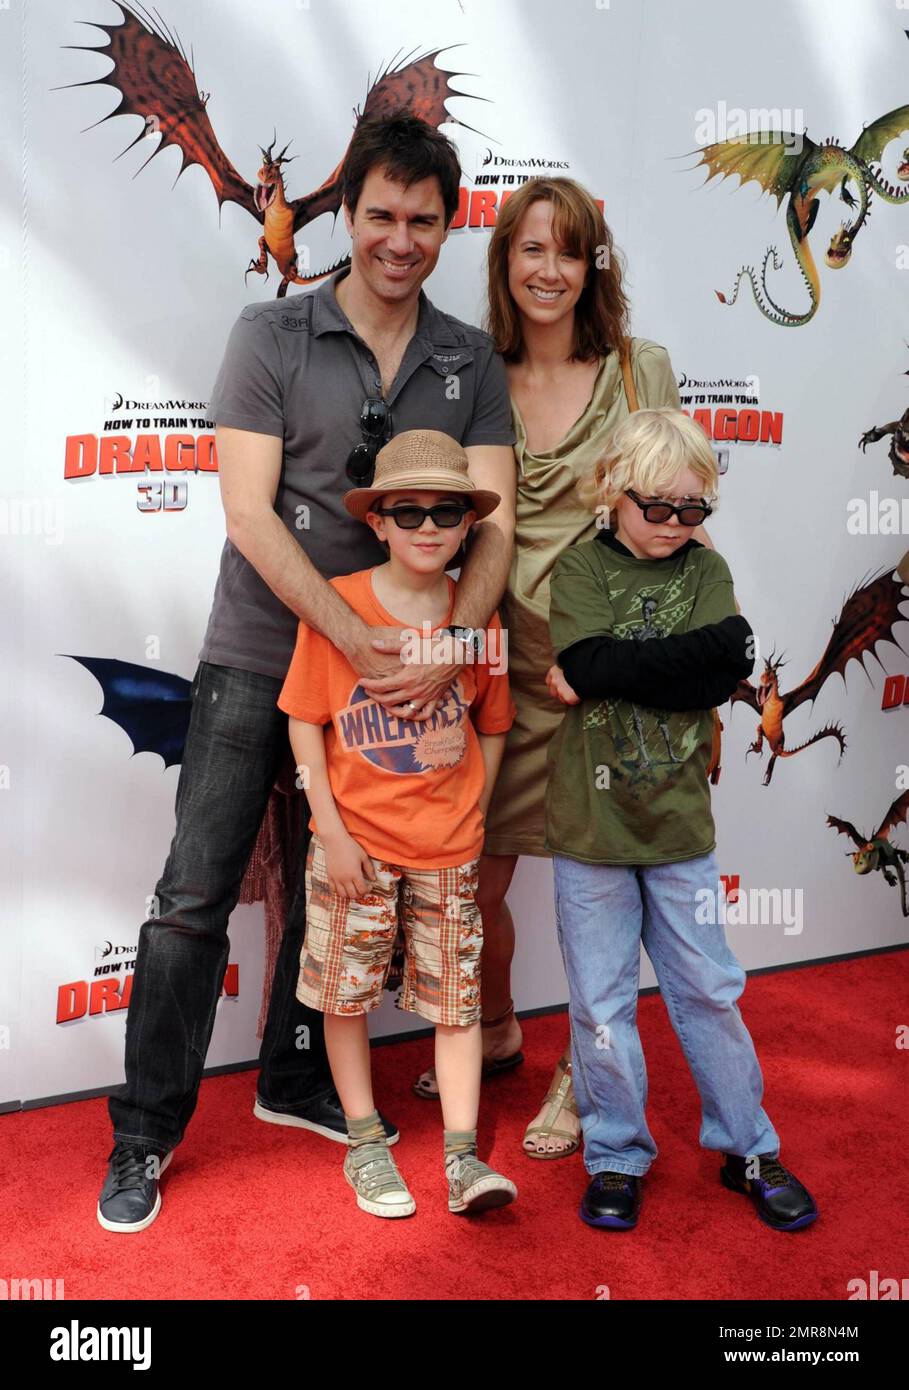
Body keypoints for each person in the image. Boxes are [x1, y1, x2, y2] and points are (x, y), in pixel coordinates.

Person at [97, 113, 516, 1232]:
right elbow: (248, 512)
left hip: (406, 680)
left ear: (447, 225)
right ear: (349, 213)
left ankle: (294, 1081)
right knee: (194, 896)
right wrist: (356, 633)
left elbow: (500, 530)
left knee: (336, 884)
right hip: (262, 653)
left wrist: (437, 652)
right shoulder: (270, 332)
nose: (401, 238)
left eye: (424, 220)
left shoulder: (469, 358)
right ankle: (142, 1135)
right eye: (381, 214)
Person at [411, 176, 692, 1158]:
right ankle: (493, 1032)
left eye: (568, 251)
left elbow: (676, 524)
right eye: (531, 249)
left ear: (592, 265)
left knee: (600, 897)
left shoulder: (636, 368)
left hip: (603, 682)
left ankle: (588, 1069)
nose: (549, 269)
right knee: (475, 883)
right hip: (496, 672)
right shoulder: (472, 375)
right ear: (504, 262)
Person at [545, 406, 817, 1232]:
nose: (673, 525)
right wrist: (648, 667)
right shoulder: (578, 570)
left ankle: (750, 1149)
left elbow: (722, 666)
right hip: (589, 831)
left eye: (691, 510)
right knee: (598, 1004)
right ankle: (617, 1155)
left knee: (708, 991)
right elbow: (593, 660)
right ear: (609, 494)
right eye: (654, 507)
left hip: (679, 833)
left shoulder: (706, 568)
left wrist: (606, 673)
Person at [279, 429, 518, 1218]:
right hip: (356, 849)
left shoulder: (477, 621)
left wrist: (475, 814)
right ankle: (366, 1142)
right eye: (406, 512)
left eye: (444, 512)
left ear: (465, 526)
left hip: (450, 852)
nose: (425, 527)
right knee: (344, 1000)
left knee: (457, 1006)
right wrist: (332, 832)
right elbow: (304, 723)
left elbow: (493, 720)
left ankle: (460, 1157)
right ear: (376, 521)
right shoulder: (340, 606)